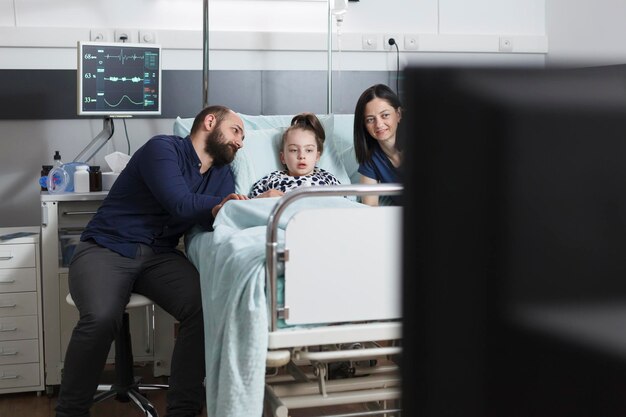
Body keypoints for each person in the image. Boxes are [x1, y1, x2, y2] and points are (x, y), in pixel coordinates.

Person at [55, 105, 249, 417]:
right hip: (107, 246)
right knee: (102, 317)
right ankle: (70, 411)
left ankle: (183, 410)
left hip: (159, 256)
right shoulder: (163, 149)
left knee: (205, 306)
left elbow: (219, 220)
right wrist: (221, 205)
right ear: (210, 122)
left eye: (243, 137)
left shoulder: (223, 175)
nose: (240, 142)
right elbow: (180, 203)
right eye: (236, 131)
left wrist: (249, 204)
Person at [248, 112, 341, 198]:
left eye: (308, 150)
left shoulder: (327, 179)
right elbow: (249, 206)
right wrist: (263, 198)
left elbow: (345, 205)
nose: (301, 156)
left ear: (317, 156)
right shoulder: (271, 180)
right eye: (294, 150)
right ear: (283, 157)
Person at [353, 84, 402, 206]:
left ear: (398, 114)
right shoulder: (371, 158)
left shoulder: (421, 144)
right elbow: (370, 208)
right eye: (370, 119)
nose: (379, 124)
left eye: (385, 115)